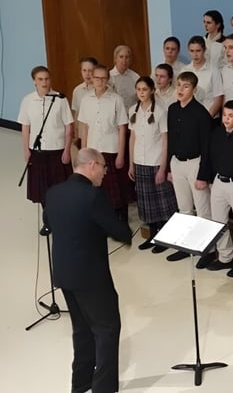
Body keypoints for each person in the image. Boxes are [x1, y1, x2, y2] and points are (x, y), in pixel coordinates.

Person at [43, 148, 133, 393]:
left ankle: (80, 384)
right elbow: (119, 232)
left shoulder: (53, 193)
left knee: (81, 330)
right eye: (103, 166)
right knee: (107, 329)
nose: (105, 172)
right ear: (92, 165)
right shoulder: (94, 196)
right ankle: (103, 389)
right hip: (91, 277)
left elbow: (48, 224)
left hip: (64, 274)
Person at [165, 71, 214, 263]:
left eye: (185, 86)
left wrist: (203, 174)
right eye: (178, 85)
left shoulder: (201, 113)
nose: (180, 90)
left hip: (195, 163)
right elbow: (171, 139)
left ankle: (207, 250)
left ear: (193, 89)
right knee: (183, 207)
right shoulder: (172, 109)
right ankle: (187, 246)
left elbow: (206, 146)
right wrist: (169, 167)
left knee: (202, 209)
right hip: (177, 163)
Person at [203, 100, 233, 278]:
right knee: (218, 222)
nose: (226, 118)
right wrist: (209, 179)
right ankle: (225, 256)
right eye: (224, 115)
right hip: (219, 182)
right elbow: (209, 157)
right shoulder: (216, 134)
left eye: (230, 116)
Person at [128, 76, 177, 253]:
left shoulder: (160, 111)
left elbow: (165, 140)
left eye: (145, 89)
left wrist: (163, 168)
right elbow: (132, 137)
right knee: (146, 202)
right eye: (139, 89)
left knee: (162, 201)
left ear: (152, 91)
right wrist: (131, 164)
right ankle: (153, 235)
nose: (141, 92)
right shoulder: (133, 110)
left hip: (156, 161)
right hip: (140, 161)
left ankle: (165, 238)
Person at [78, 64, 129, 223]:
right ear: (91, 78)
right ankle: (103, 218)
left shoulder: (116, 99)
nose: (100, 81)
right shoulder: (86, 100)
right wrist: (83, 151)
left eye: (103, 78)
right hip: (93, 150)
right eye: (96, 77)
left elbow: (122, 127)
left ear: (108, 79)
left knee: (116, 187)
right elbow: (84, 127)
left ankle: (121, 217)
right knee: (97, 187)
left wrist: (121, 154)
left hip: (111, 148)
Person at [18, 66, 74, 212]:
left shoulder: (60, 99)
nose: (44, 82)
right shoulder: (27, 100)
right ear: (34, 81)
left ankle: (62, 216)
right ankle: (47, 219)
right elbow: (25, 128)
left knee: (60, 187)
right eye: (40, 79)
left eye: (47, 79)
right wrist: (26, 150)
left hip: (58, 149)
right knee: (42, 188)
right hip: (38, 151)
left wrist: (67, 150)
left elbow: (69, 126)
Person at [181, 36, 224, 117]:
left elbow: (218, 98)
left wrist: (207, 119)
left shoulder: (213, 70)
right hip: (189, 117)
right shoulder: (184, 70)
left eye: (198, 51)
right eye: (192, 51)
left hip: (209, 117)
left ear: (204, 50)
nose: (195, 54)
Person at [71, 57, 98, 150]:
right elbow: (76, 114)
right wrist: (74, 134)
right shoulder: (77, 90)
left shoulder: (104, 89)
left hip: (100, 136)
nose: (87, 74)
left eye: (90, 70)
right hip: (83, 136)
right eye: (84, 70)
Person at [109, 45, 140, 110]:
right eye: (121, 57)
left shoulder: (135, 77)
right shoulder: (109, 77)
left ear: (130, 60)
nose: (124, 60)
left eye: (127, 57)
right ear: (115, 59)